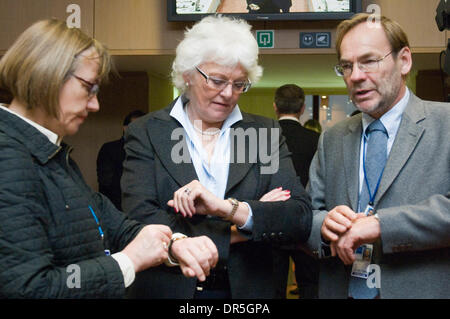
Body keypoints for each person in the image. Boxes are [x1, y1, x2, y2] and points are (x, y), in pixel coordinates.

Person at [0, 19, 218, 298]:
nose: (95, 104)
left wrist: (174, 244)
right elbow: (30, 288)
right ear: (48, 75)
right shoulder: (9, 157)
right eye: (88, 88)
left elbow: (113, 224)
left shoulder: (51, 153)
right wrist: (128, 261)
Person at [121, 15, 312, 299]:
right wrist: (243, 226)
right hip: (168, 288)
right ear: (188, 74)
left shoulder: (263, 134)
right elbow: (141, 218)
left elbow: (297, 217)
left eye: (239, 84)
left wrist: (227, 209)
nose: (228, 94)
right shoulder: (147, 132)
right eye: (217, 80)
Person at [306, 13, 450, 299]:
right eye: (346, 66)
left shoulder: (445, 124)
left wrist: (382, 224)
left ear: (404, 61)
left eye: (369, 61)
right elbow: (307, 214)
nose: (356, 76)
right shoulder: (332, 139)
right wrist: (324, 226)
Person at [272, 84, 320, 299]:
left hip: (271, 222)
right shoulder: (316, 140)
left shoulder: (263, 138)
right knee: (309, 285)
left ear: (275, 107)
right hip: (305, 221)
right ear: (302, 109)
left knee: (272, 287)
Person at [97, 110, 146, 210]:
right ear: (125, 128)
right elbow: (106, 182)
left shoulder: (150, 150)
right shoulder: (110, 148)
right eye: (136, 126)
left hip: (144, 207)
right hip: (116, 207)